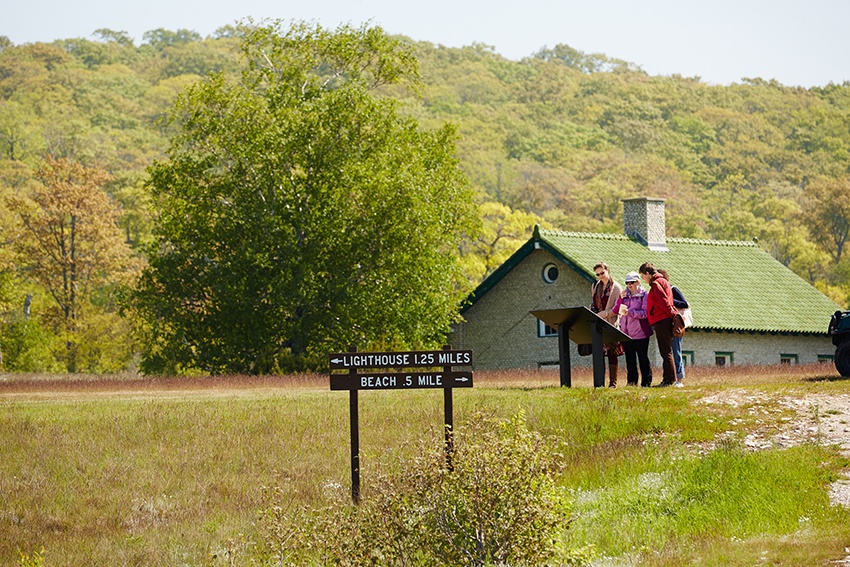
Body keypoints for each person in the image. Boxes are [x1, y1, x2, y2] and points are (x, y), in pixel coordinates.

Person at [639, 262, 678, 386]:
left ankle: (669, 380)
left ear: (647, 273)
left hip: (662, 320)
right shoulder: (662, 281)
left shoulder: (656, 284)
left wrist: (671, 315)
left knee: (665, 352)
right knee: (667, 351)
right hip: (663, 319)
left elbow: (663, 302)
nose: (643, 279)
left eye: (642, 276)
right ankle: (668, 378)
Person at [612, 272, 653, 387]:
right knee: (630, 359)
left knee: (643, 358)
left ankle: (646, 382)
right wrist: (620, 299)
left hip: (640, 333)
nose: (629, 285)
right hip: (626, 333)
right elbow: (615, 310)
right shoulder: (624, 295)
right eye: (627, 282)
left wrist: (630, 312)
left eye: (632, 282)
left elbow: (646, 314)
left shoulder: (644, 295)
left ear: (638, 282)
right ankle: (631, 383)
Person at [591, 262, 623, 388]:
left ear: (608, 271)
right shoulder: (595, 286)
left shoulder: (616, 287)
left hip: (611, 323)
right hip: (598, 322)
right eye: (598, 274)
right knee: (599, 353)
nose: (600, 276)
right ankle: (600, 383)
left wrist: (604, 314)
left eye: (602, 273)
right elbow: (593, 303)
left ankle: (613, 383)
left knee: (612, 353)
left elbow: (618, 308)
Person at [658, 269, 689, 388]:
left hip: (675, 325)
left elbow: (684, 304)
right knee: (667, 352)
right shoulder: (656, 292)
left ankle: (680, 379)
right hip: (664, 325)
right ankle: (669, 378)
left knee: (676, 351)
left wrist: (670, 301)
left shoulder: (673, 289)